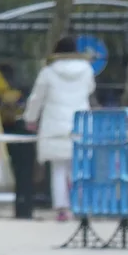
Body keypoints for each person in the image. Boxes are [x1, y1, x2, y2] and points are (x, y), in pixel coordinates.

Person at [23, 36, 96, 221]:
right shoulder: (87, 70)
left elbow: (37, 98)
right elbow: (89, 90)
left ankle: (62, 208)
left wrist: (30, 118)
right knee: (78, 167)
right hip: (80, 123)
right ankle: (80, 204)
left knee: (58, 168)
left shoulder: (48, 72)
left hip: (54, 124)